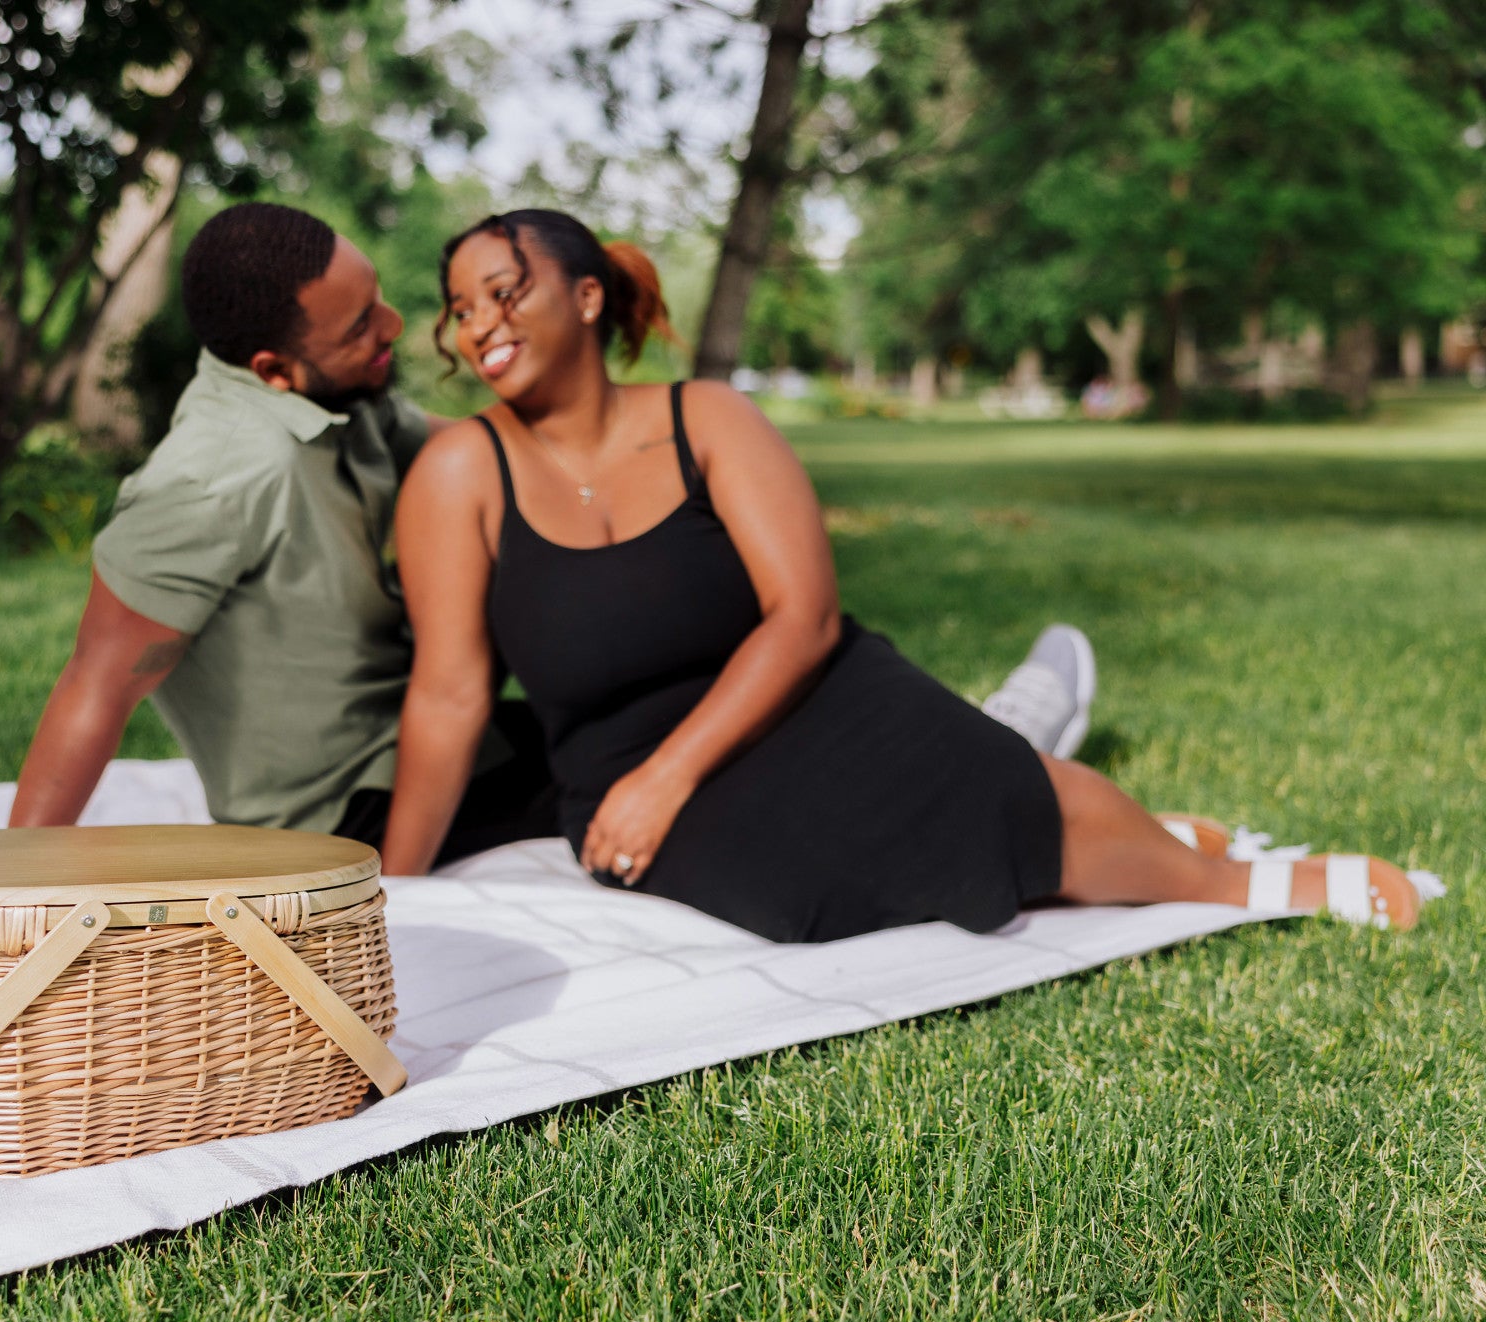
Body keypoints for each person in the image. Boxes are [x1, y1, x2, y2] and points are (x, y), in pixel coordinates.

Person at [379, 208, 1419, 939]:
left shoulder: (710, 420)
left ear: (589, 295)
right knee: (803, 891)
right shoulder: (459, 471)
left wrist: (670, 776)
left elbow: (804, 615)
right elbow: (450, 690)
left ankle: (1223, 874)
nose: (481, 326)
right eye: (460, 310)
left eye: (503, 292)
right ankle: (1135, 843)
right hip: (617, 772)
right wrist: (393, 895)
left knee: (994, 788)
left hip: (806, 694)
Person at [8, 200, 1092, 863]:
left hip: (465, 743)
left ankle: (960, 738)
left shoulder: (354, 402)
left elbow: (508, 459)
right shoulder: (207, 482)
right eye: (361, 328)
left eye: (385, 300)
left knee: (701, 684)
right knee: (718, 767)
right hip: (351, 809)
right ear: (273, 371)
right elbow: (97, 683)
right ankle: (997, 746)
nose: (398, 330)